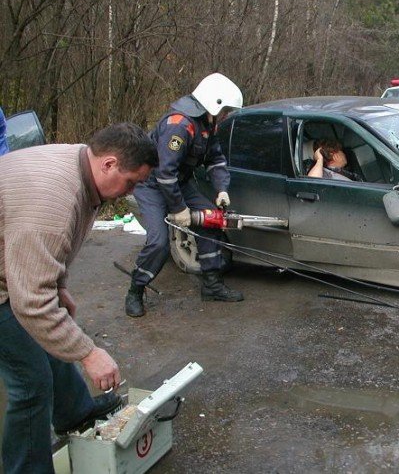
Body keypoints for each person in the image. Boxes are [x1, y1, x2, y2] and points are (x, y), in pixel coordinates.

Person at [0, 122, 158, 473]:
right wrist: (89, 354)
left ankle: (75, 412)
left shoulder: (80, 165)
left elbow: (46, 253)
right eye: (130, 182)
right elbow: (30, 304)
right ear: (109, 164)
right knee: (31, 384)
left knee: (51, 334)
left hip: (11, 265)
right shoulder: (53, 200)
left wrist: (57, 286)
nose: (129, 191)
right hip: (4, 285)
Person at [124, 73, 244, 318]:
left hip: (178, 181)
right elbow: (164, 172)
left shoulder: (207, 126)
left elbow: (216, 160)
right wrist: (179, 209)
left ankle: (211, 284)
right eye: (226, 110)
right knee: (158, 242)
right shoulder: (180, 124)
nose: (226, 115)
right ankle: (135, 290)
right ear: (214, 103)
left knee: (211, 220)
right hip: (153, 184)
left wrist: (222, 189)